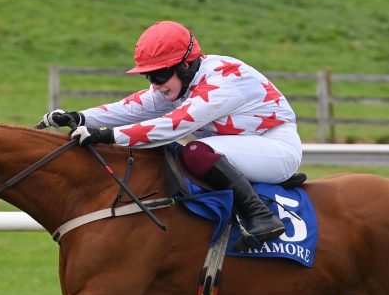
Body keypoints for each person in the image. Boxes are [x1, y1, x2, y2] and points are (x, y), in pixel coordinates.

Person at [39, 20, 303, 248]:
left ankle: (261, 217)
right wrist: (80, 117)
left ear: (186, 65)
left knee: (195, 152)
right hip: (244, 145)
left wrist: (109, 136)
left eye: (161, 74)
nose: (156, 84)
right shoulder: (181, 82)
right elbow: (132, 108)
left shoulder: (223, 80)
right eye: (149, 76)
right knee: (182, 152)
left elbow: (174, 125)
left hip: (276, 148)